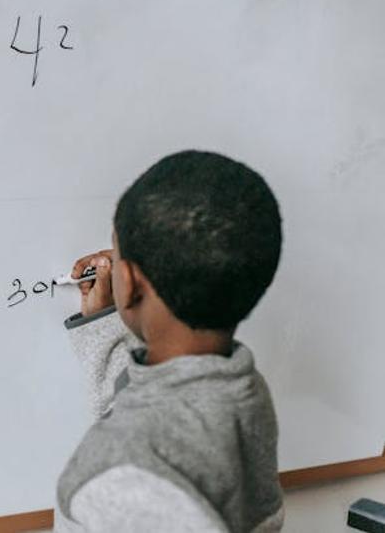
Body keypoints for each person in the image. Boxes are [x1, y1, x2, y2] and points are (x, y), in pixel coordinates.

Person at [55, 150, 285, 532]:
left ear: (127, 284)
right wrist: (103, 322)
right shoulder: (240, 389)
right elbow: (150, 402)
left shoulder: (120, 473)